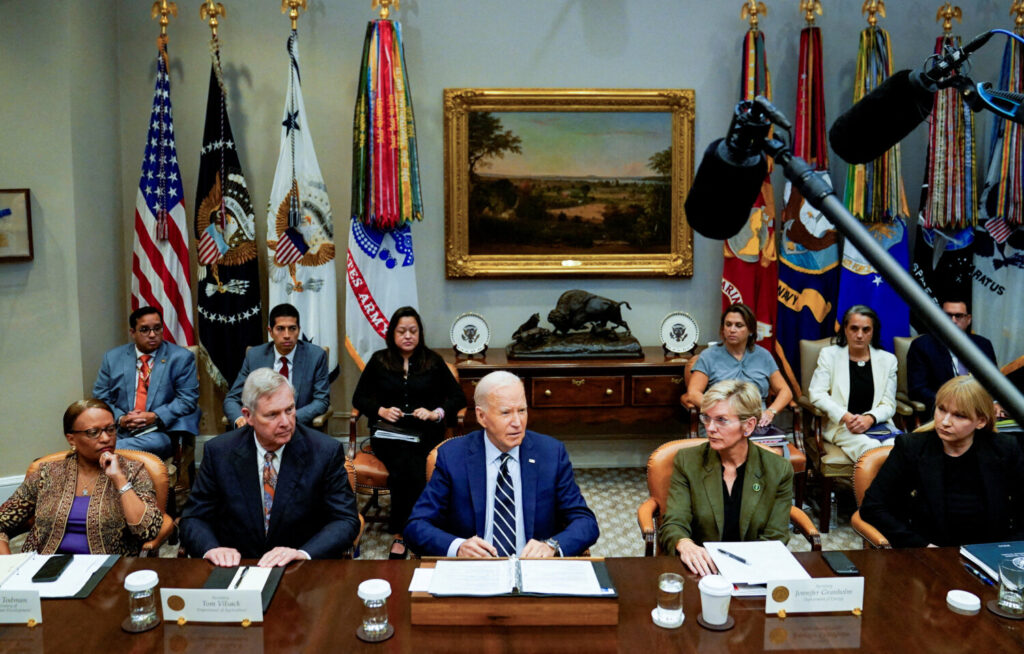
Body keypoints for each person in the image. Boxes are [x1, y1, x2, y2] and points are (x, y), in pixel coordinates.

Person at [404, 371, 598, 558]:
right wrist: (459, 547)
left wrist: (552, 546)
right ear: (482, 417)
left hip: (533, 568)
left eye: (522, 411)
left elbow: (586, 522)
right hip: (474, 569)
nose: (517, 422)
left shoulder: (550, 453)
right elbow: (416, 526)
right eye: (505, 413)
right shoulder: (453, 457)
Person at [181, 368, 359, 567]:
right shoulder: (219, 452)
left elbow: (346, 520)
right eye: (272, 414)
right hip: (237, 567)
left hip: (299, 570)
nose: (285, 422)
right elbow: (193, 518)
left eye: (289, 410)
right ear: (248, 416)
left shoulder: (325, 452)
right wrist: (212, 548)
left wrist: (303, 553)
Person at [351, 306, 466, 559]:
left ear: (420, 333)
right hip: (388, 435)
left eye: (413, 331)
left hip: (425, 434)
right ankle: (410, 531)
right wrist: (380, 410)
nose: (407, 336)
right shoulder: (379, 361)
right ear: (392, 333)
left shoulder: (433, 361)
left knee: (409, 466)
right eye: (402, 331)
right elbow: (359, 397)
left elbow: (458, 397)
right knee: (406, 465)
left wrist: (436, 413)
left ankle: (403, 533)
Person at [860, 376, 1024, 547]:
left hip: (989, 553)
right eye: (941, 409)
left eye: (959, 416)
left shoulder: (1005, 449)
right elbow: (873, 507)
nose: (945, 422)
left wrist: (1004, 550)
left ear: (981, 421)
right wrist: (921, 546)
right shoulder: (912, 447)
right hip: (929, 551)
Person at [659, 380, 793, 576]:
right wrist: (685, 544)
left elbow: (776, 536)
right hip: (701, 569)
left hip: (754, 568)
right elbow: (675, 521)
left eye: (721, 420)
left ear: (748, 426)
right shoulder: (688, 461)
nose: (710, 428)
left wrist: (739, 570)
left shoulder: (777, 470)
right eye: (707, 418)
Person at [0, 399, 162, 556]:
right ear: (71, 439)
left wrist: (119, 479)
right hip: (43, 570)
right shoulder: (46, 474)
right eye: (93, 432)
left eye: (110, 429)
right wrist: (8, 565)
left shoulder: (134, 471)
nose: (105, 438)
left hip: (108, 571)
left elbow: (147, 530)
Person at [92, 306, 199, 459]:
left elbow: (187, 400)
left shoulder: (180, 358)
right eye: (144, 330)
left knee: (157, 443)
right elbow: (101, 399)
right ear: (132, 333)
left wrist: (154, 416)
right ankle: (110, 452)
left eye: (157, 328)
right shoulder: (113, 358)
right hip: (119, 430)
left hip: (157, 431)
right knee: (91, 436)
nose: (152, 335)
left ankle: (103, 451)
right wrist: (121, 419)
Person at [808, 305, 899, 462]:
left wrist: (870, 418)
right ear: (845, 329)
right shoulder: (829, 355)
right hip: (843, 426)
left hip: (879, 426)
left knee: (897, 447)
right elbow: (816, 393)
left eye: (866, 330)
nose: (859, 335)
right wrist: (845, 416)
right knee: (871, 449)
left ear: (873, 332)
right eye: (854, 328)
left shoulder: (888, 360)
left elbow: (889, 404)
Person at [682, 303, 792, 430]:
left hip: (756, 423)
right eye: (728, 325)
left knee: (778, 449)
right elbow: (693, 393)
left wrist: (770, 412)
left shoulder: (763, 356)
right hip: (720, 423)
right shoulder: (708, 356)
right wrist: (718, 411)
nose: (732, 330)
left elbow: (785, 391)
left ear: (750, 330)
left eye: (738, 325)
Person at [224, 303, 330, 429]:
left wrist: (289, 419)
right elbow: (232, 399)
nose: (286, 335)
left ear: (299, 330)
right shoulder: (255, 356)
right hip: (260, 428)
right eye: (280, 329)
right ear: (270, 331)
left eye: (292, 328)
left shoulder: (316, 356)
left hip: (297, 428)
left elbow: (321, 401)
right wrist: (239, 419)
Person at [907, 297, 1001, 416]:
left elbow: (994, 383)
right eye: (947, 315)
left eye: (959, 316)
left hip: (982, 412)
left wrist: (995, 402)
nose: (953, 320)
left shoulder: (983, 345)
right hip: (944, 413)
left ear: (968, 319)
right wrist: (956, 404)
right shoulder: (922, 346)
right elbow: (918, 390)